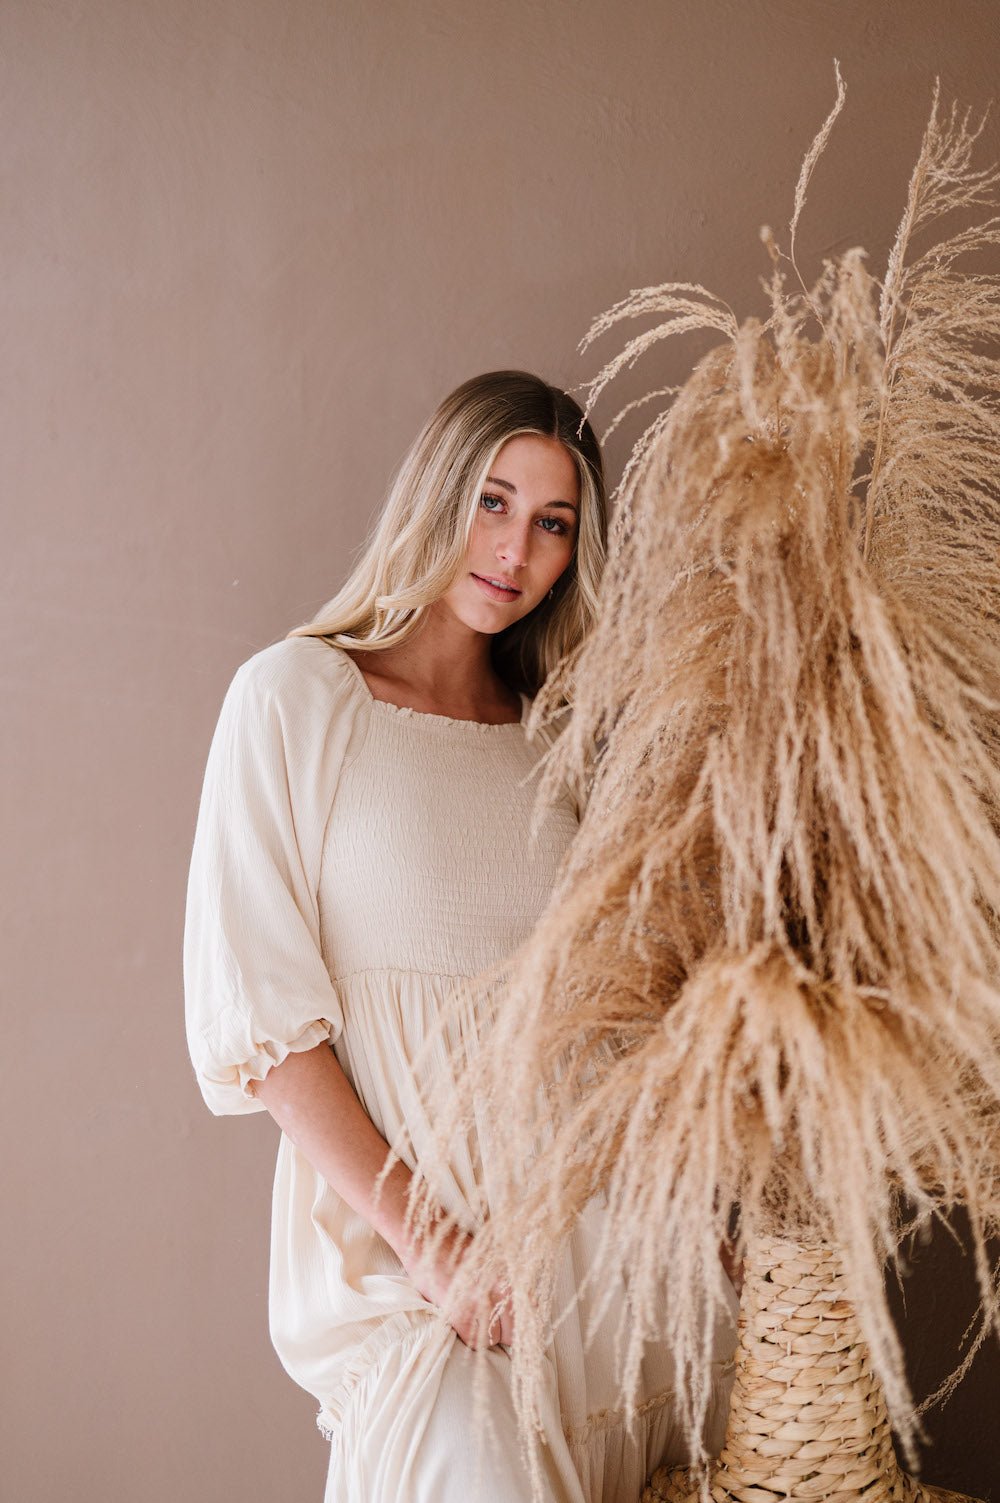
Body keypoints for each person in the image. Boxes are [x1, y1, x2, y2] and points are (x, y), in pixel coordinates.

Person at [184, 370, 737, 1503]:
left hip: (608, 1277)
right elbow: (268, 1030)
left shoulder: (560, 746)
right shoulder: (295, 698)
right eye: (492, 501)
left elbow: (616, 1017)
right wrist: (435, 1250)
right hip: (416, 1279)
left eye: (553, 523)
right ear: (435, 493)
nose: (514, 550)